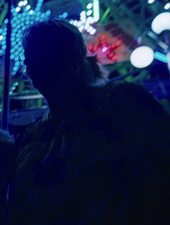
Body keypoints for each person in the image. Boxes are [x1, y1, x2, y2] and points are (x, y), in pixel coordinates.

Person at [10, 18, 170, 225]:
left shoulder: (123, 103)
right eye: (30, 60)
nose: (33, 68)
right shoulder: (32, 137)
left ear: (72, 61)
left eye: (44, 58)